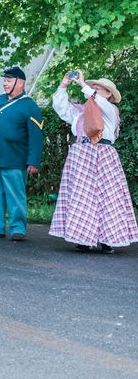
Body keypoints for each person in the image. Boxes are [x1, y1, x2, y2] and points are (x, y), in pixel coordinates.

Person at [50, 71, 138, 253]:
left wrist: (84, 85)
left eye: (99, 89)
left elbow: (98, 101)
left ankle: (108, 240)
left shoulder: (110, 110)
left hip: (104, 154)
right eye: (94, 88)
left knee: (109, 197)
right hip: (81, 154)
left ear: (109, 95)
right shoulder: (80, 112)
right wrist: (64, 85)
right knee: (82, 197)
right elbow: (60, 107)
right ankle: (84, 238)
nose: (94, 91)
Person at [0, 66, 44, 241]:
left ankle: (18, 229)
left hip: (15, 158)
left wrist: (33, 161)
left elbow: (36, 136)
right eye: (5, 80)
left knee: (15, 195)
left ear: (20, 83)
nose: (5, 84)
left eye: (9, 80)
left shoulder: (30, 106)